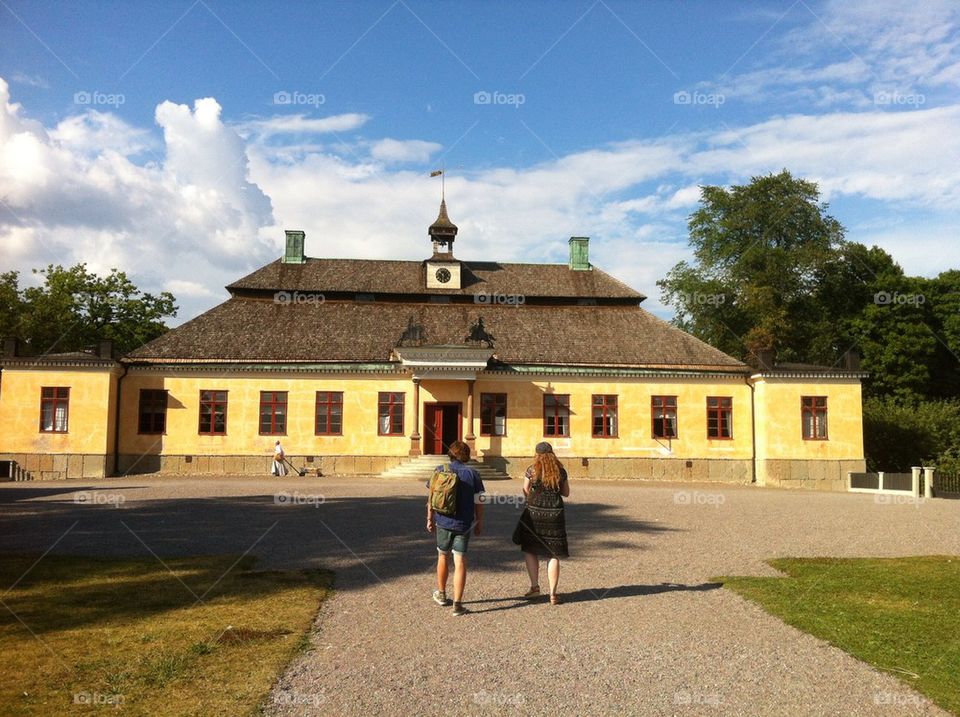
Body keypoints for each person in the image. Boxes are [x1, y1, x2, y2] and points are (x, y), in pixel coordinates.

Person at [426, 440, 485, 616]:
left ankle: (442, 594)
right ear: (466, 455)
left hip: (443, 520)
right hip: (464, 524)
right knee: (460, 561)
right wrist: (479, 522)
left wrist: (429, 518)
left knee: (442, 556)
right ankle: (458, 605)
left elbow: (430, 498)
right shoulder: (473, 474)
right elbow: (480, 501)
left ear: (451, 453)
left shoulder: (439, 470)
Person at [512, 441, 570, 605]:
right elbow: (566, 493)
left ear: (537, 454)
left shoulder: (531, 470)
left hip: (534, 514)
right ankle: (553, 593)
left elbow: (525, 490)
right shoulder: (560, 471)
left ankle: (535, 587)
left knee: (530, 549)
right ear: (552, 454)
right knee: (553, 553)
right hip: (555, 515)